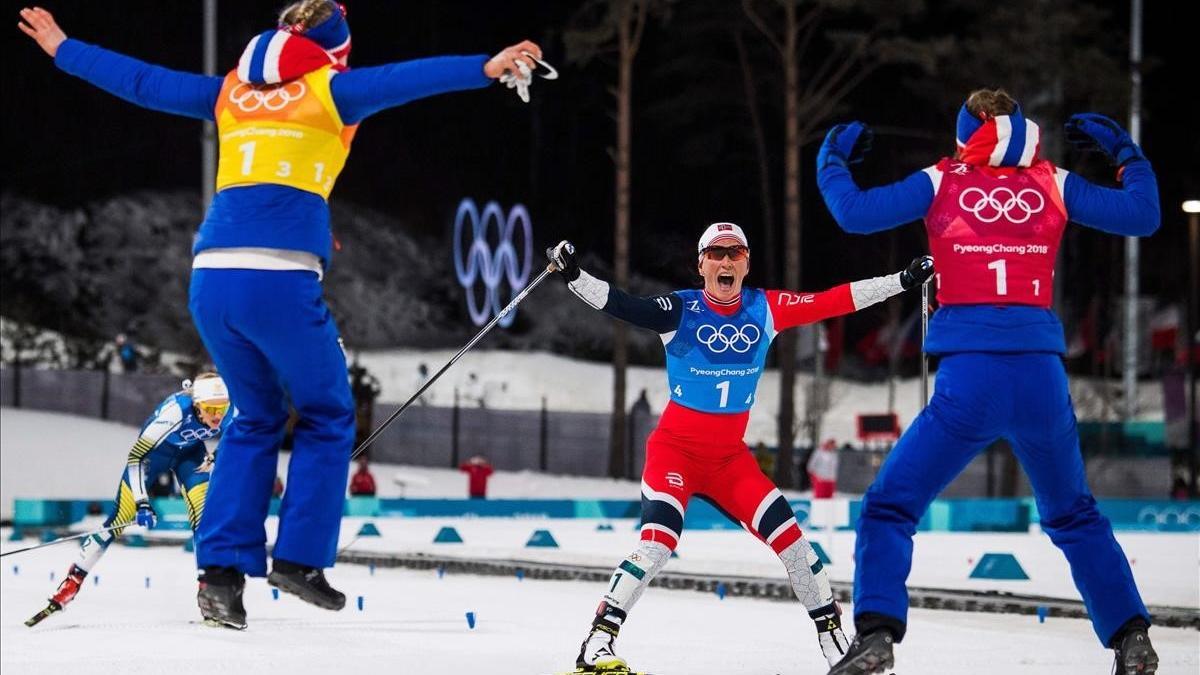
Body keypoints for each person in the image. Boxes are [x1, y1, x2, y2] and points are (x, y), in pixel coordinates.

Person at [18, 3, 544, 630]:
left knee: (256, 414)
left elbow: (145, 82)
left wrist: (64, 47)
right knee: (326, 413)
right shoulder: (332, 90)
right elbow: (408, 79)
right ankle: (298, 560)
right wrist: (486, 66)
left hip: (212, 279)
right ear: (334, 51)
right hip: (279, 281)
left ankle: (219, 579)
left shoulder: (230, 93)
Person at [816, 89, 1160, 675]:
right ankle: (1132, 639)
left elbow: (852, 212)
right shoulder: (1052, 181)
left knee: (890, 507)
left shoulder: (941, 180)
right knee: (1074, 515)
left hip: (969, 380)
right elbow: (1144, 215)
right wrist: (1125, 153)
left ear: (961, 135)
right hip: (1040, 378)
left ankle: (876, 637)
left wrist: (832, 155)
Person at [546, 224, 934, 672]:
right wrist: (574, 274)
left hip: (729, 461)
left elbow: (835, 299)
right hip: (676, 453)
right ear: (701, 265)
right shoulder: (680, 309)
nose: (725, 261)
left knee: (796, 545)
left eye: (735, 253)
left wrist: (901, 281)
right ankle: (596, 643)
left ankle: (838, 647)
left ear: (746, 264)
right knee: (657, 544)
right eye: (715, 254)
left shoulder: (766, 308)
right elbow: (621, 303)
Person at [25, 374, 232, 627]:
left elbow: (240, 432)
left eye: (221, 409)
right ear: (197, 404)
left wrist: (219, 454)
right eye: (211, 409)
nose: (216, 416)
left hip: (190, 456)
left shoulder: (227, 408)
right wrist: (142, 501)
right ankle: (72, 582)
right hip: (151, 458)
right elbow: (136, 457)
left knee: (205, 520)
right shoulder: (175, 412)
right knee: (120, 518)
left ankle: (209, 594)